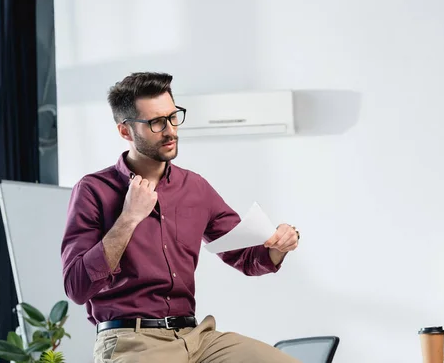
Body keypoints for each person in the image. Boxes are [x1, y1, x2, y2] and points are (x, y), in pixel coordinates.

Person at [60, 72, 302, 363]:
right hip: (131, 342)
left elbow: (246, 256)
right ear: (125, 131)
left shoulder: (195, 188)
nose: (170, 130)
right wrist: (128, 218)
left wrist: (276, 247)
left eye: (173, 117)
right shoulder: (93, 191)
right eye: (156, 123)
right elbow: (77, 286)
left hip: (196, 338)